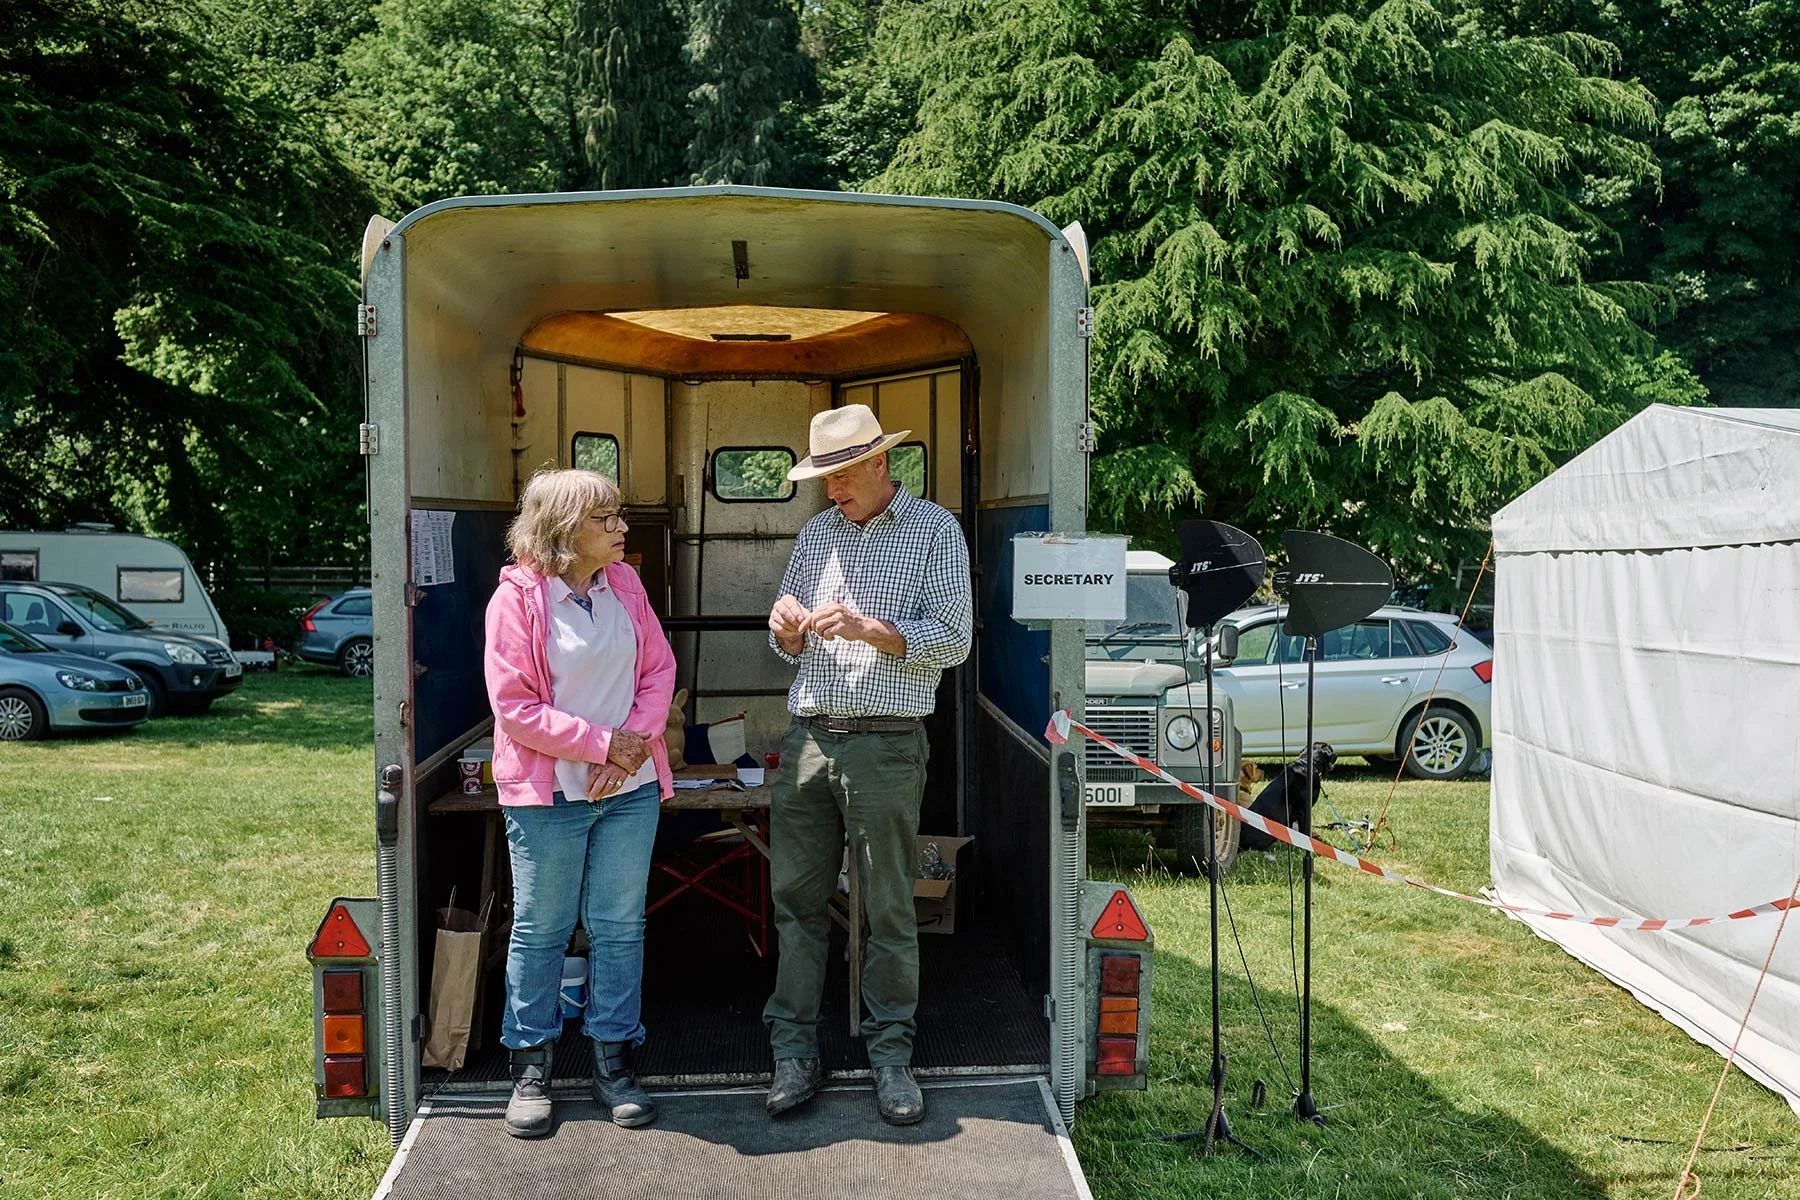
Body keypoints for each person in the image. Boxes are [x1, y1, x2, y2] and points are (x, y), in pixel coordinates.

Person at [762, 404, 973, 1125]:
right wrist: (785, 631)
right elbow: (786, 645)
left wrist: (870, 629)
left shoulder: (936, 531)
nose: (831, 491)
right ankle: (793, 1054)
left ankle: (891, 1058)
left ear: (882, 463)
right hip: (809, 737)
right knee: (795, 902)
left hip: (887, 741)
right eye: (823, 477)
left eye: (842, 475)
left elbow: (953, 641)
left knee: (887, 906)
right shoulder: (817, 534)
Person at [483, 467, 676, 1137]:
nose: (622, 527)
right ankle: (531, 1068)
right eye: (608, 518)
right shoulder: (516, 602)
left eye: (619, 516)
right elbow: (514, 710)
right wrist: (605, 746)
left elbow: (659, 671)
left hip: (630, 791)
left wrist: (631, 749)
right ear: (564, 530)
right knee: (542, 929)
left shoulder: (624, 584)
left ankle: (614, 1065)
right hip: (549, 797)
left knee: (620, 927)